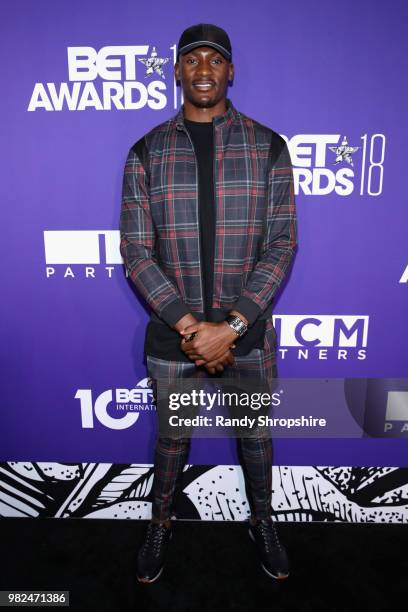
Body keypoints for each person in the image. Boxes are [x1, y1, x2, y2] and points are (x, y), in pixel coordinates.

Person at [120, 23, 297, 583]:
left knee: (255, 437)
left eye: (214, 60)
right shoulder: (146, 151)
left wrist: (235, 325)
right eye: (191, 59)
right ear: (176, 71)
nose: (202, 68)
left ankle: (263, 521)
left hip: (248, 332)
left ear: (230, 71)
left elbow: (282, 243)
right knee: (171, 440)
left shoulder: (269, 146)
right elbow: (135, 248)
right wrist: (193, 327)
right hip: (176, 334)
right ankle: (161, 524)